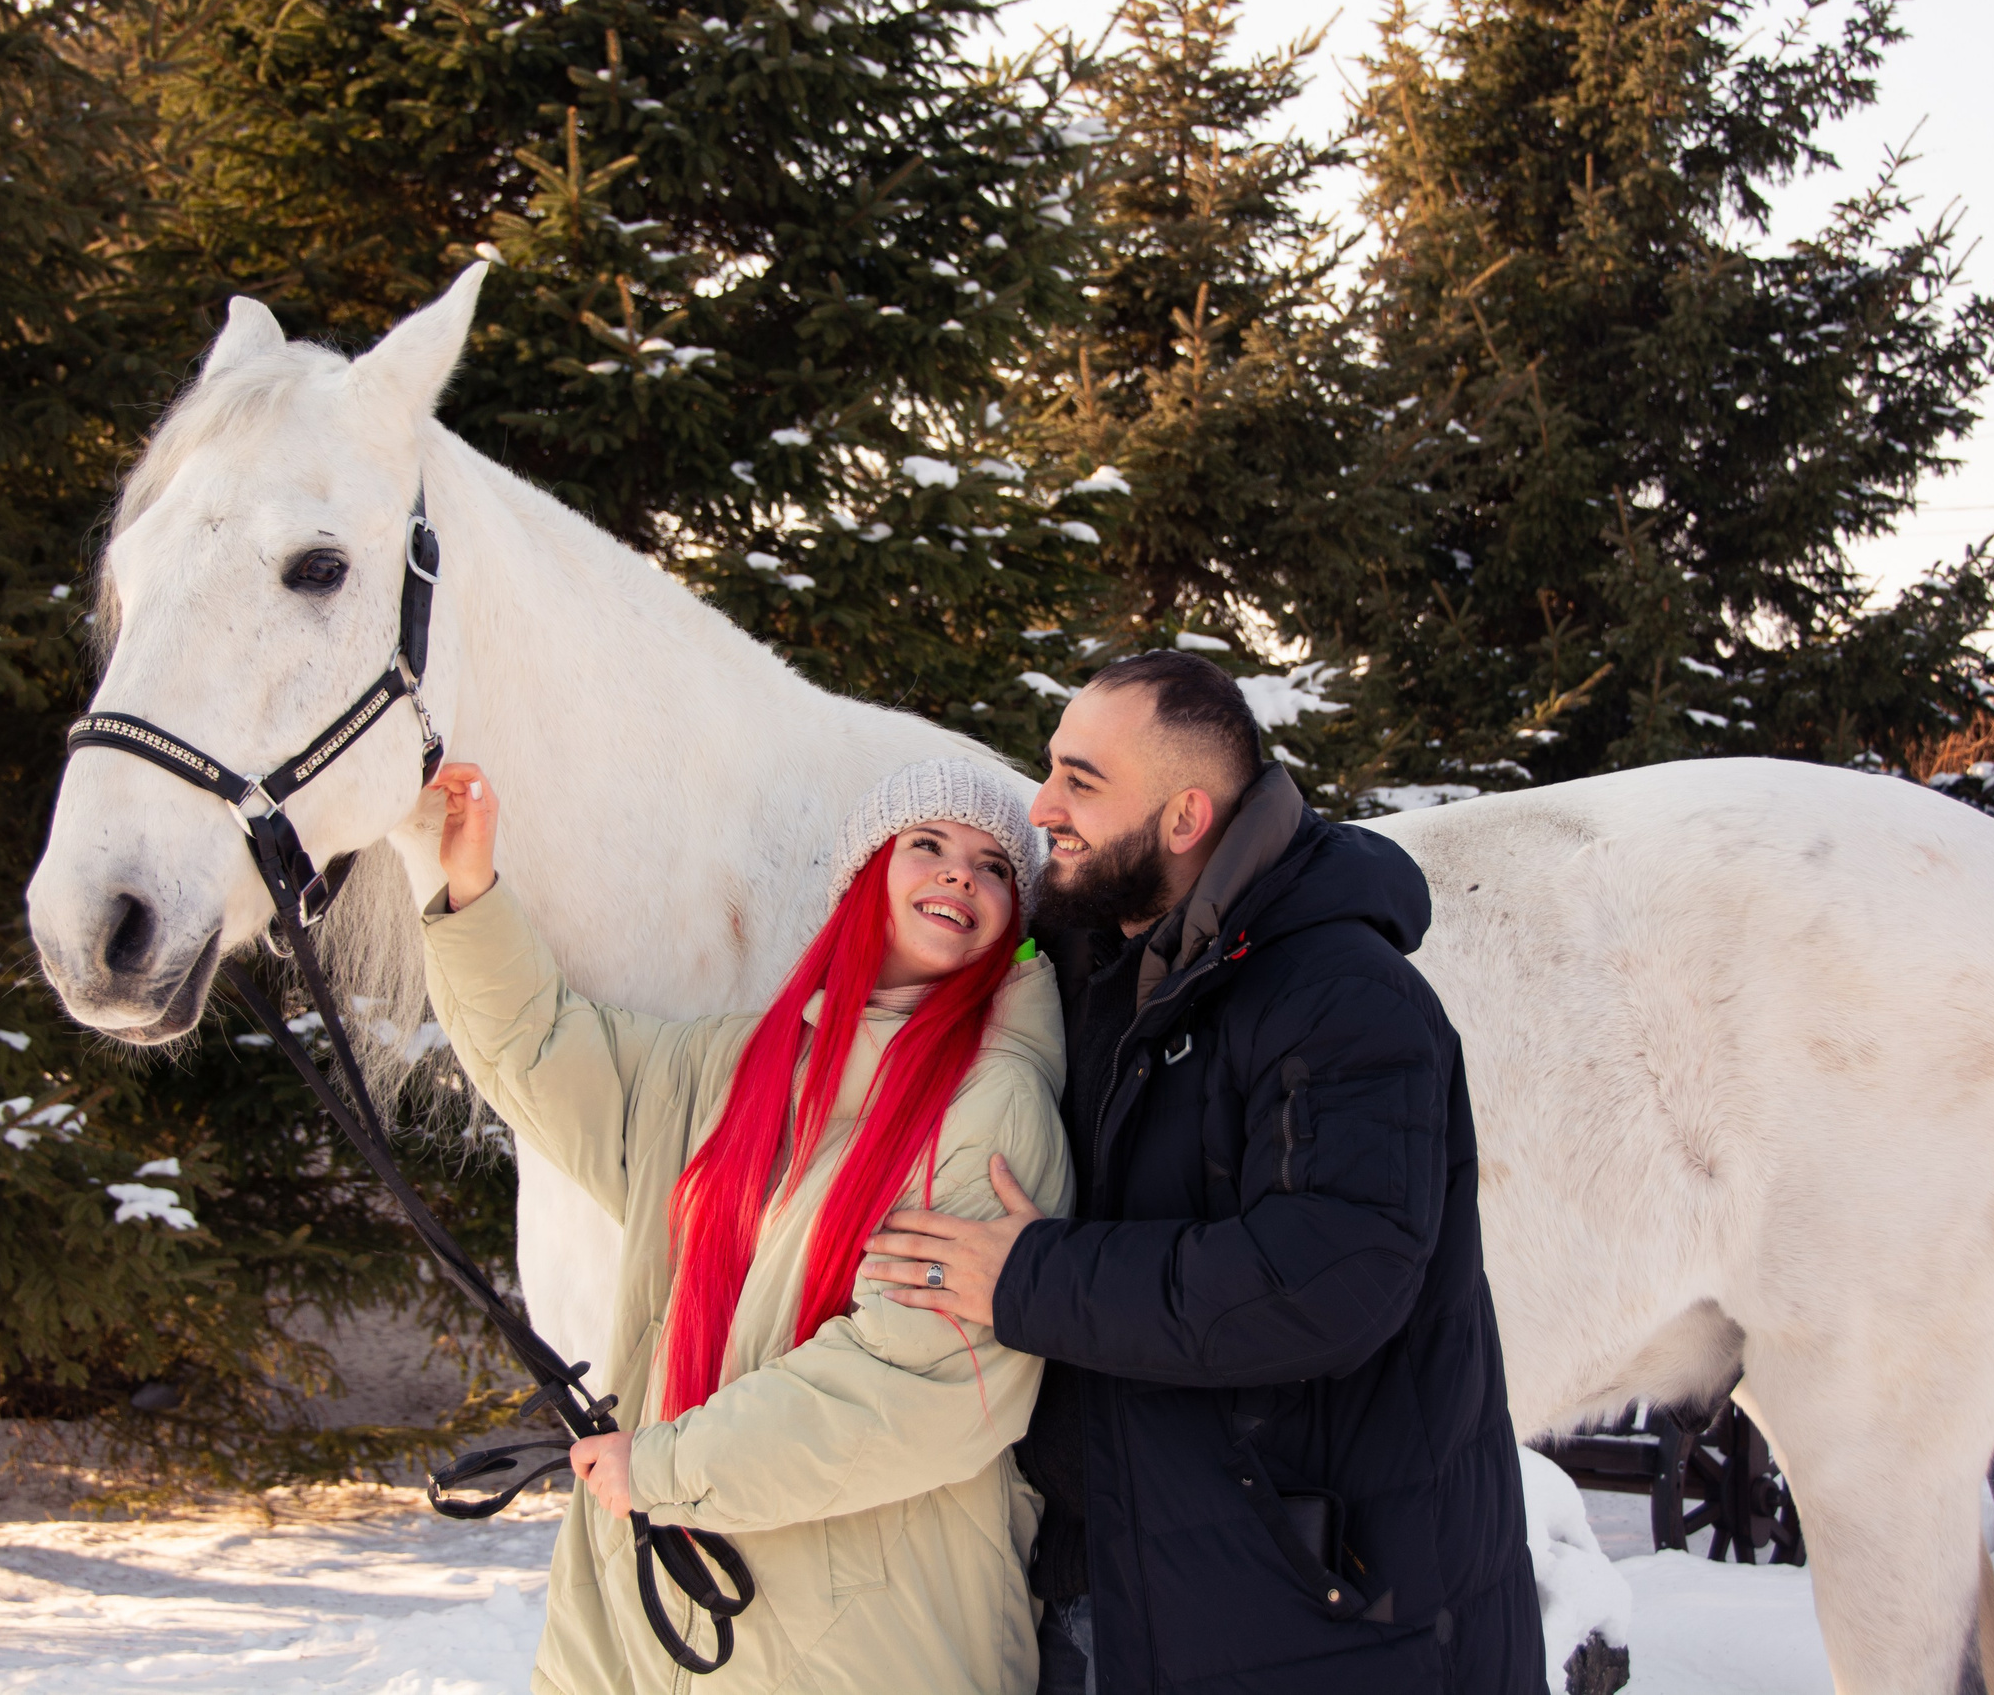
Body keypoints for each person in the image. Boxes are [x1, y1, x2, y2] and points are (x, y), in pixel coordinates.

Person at [862, 652, 1545, 1693]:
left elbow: (1326, 1280)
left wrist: (1029, 1282)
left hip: (1324, 1616)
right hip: (1125, 1587)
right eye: (1050, 769)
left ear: (1184, 820)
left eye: (1081, 781)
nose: (1040, 806)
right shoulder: (1088, 968)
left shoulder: (1345, 998)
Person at [420, 756, 1072, 1694]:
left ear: (1013, 917)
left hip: (871, 1638)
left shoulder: (994, 1108)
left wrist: (665, 1466)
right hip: (650, 1614)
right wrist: (473, 885)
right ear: (865, 878)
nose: (959, 873)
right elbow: (544, 1046)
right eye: (926, 844)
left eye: (994, 865)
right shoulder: (727, 1069)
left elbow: (904, 1385)